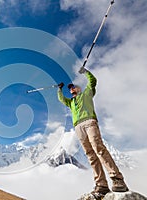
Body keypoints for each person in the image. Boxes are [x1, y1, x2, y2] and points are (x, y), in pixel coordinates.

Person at [57, 67, 129, 198]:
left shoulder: (87, 93)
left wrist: (85, 72)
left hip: (90, 122)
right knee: (90, 155)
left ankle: (117, 179)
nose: (72, 88)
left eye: (74, 87)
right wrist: (59, 89)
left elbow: (93, 81)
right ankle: (101, 185)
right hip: (78, 127)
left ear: (79, 89)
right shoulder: (71, 102)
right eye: (70, 88)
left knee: (98, 148)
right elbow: (62, 99)